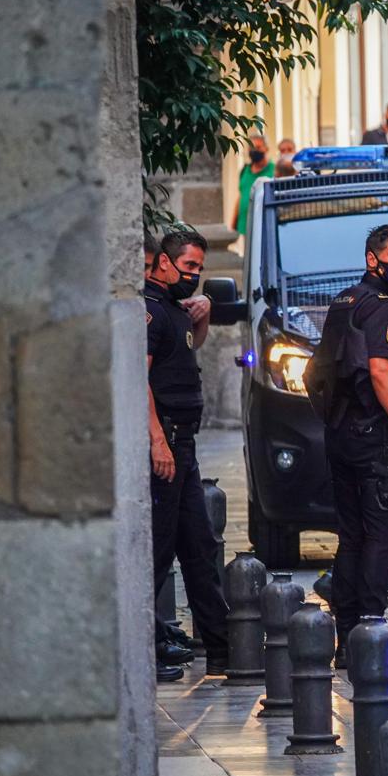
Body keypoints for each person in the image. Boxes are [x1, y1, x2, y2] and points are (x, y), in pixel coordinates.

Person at [309, 224, 388, 669]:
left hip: (342, 435)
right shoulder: (378, 307)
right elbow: (380, 372)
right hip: (375, 438)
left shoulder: (345, 301)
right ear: (372, 258)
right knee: (384, 538)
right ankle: (372, 637)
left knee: (352, 536)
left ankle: (348, 641)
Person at [144, 229, 230, 681]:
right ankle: (143, 648)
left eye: (199, 269)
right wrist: (157, 442)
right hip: (168, 444)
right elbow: (139, 380)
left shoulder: (175, 310)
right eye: (188, 267)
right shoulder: (151, 311)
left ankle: (220, 647)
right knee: (156, 552)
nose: (193, 276)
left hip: (185, 444)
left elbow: (192, 346)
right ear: (162, 263)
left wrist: (204, 314)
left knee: (199, 546)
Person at [231, 134, 274, 239]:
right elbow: (241, 195)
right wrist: (233, 222)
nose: (254, 150)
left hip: (265, 225)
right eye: (251, 147)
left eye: (258, 147)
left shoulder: (274, 171)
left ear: (266, 149)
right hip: (245, 226)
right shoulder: (245, 170)